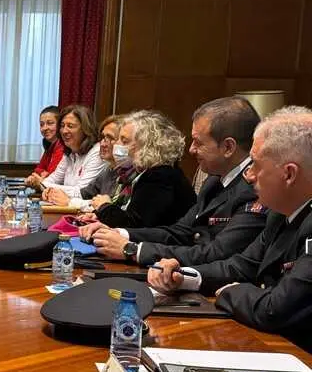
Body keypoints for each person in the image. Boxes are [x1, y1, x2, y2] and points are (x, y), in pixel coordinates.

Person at [148, 108, 312, 352]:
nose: (248, 175)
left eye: (255, 164)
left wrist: (231, 292)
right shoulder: (280, 214)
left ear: (288, 174)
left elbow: (273, 309)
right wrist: (183, 277)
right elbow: (240, 266)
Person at [82, 97, 266, 265]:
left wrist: (132, 249)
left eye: (198, 142)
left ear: (228, 147)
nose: (191, 150)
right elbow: (179, 232)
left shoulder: (254, 189)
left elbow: (217, 253)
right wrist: (120, 234)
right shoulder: (213, 182)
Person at [75, 110, 196, 229]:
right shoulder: (140, 173)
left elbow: (135, 225)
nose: (117, 145)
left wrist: (104, 207)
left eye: (124, 141)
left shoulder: (160, 177)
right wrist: (99, 216)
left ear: (147, 146)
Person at [42, 115, 132, 211]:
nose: (102, 143)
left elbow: (113, 208)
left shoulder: (129, 174)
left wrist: (70, 202)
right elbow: (84, 194)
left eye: (109, 138)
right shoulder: (108, 171)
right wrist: (53, 192)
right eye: (102, 137)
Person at [41, 105, 107, 200]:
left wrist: (50, 188)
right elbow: (48, 181)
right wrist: (47, 187)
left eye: (70, 126)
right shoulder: (70, 153)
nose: (64, 131)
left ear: (85, 129)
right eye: (62, 126)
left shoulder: (97, 153)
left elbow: (81, 192)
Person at [25, 106, 63, 187]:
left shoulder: (63, 146)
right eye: (42, 124)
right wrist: (42, 173)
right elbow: (37, 170)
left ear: (60, 125)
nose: (44, 128)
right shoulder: (49, 145)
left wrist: (42, 174)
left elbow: (51, 176)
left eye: (50, 123)